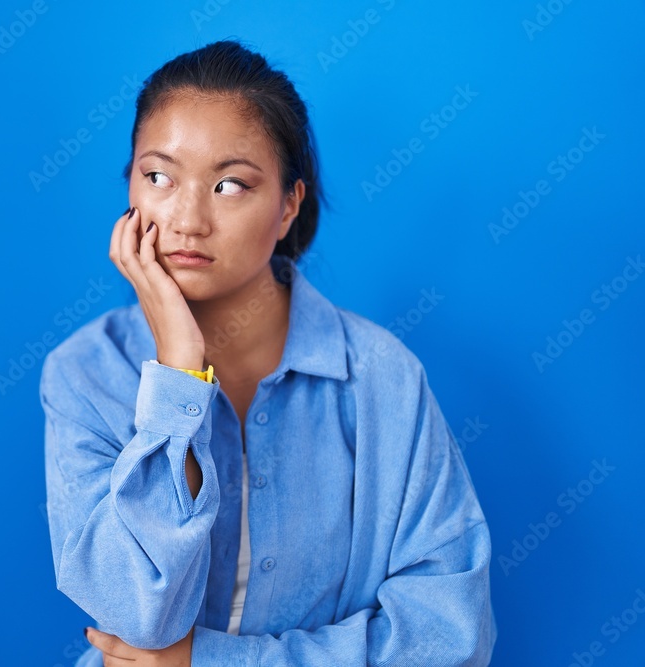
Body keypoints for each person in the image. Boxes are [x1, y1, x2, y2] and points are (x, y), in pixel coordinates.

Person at [40, 39, 496, 666]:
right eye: (158, 177)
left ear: (288, 206)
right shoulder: (86, 372)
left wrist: (214, 662)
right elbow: (136, 617)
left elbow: (453, 637)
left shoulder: (380, 377)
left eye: (229, 184)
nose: (187, 219)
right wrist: (177, 373)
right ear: (130, 188)